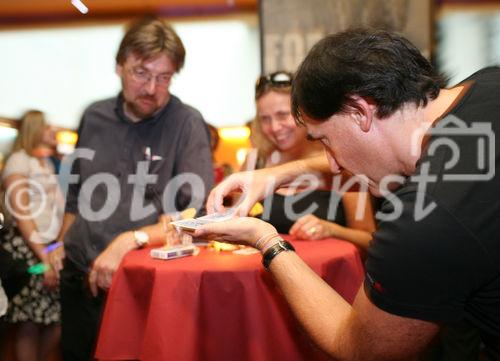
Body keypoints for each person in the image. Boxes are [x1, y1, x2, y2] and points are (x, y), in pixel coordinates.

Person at [195, 29, 500, 360]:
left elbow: (358, 347)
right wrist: (278, 173)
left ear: (360, 112)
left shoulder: (423, 221)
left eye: (324, 140)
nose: (333, 164)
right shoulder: (487, 84)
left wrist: (268, 242)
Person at [48, 17, 214, 361]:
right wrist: (60, 244)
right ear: (119, 66)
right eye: (141, 73)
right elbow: (77, 194)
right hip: (78, 274)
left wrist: (128, 240)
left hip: (138, 283)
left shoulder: (186, 123)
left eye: (164, 77)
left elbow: (195, 215)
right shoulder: (93, 117)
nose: (152, 88)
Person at [247, 71, 375, 249]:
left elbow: (369, 241)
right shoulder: (255, 161)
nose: (275, 127)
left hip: (327, 275)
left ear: (304, 112)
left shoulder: (338, 161)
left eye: (283, 115)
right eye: (265, 119)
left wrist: (332, 230)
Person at [1, 110, 64, 361]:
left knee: (52, 318)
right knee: (29, 320)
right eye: (47, 126)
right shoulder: (19, 160)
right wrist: (44, 258)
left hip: (49, 246)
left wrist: (56, 247)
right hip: (29, 248)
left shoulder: (47, 162)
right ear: (35, 128)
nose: (52, 130)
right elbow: (23, 214)